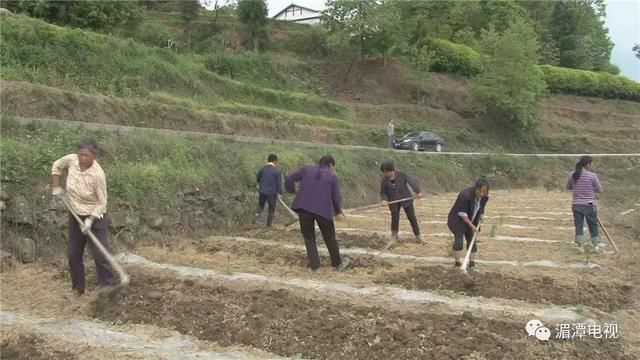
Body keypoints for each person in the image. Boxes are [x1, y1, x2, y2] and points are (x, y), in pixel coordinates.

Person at [51, 139, 114, 295]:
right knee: (73, 254)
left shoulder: (97, 174)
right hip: (75, 214)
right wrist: (56, 185)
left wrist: (90, 221)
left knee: (100, 254)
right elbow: (57, 166)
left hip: (95, 217)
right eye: (80, 155)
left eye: (86, 155)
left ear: (94, 156)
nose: (82, 158)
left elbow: (102, 202)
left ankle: (108, 288)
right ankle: (78, 289)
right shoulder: (72, 160)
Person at [285, 155, 350, 271]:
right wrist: (338, 211)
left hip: (304, 208)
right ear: (330, 165)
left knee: (309, 238)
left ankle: (315, 267)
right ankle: (337, 264)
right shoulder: (332, 176)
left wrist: (292, 191)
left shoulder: (306, 169)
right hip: (323, 211)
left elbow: (289, 178)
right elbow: (336, 197)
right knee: (330, 238)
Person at [447, 178, 490, 268]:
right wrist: (472, 226)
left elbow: (481, 208)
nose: (482, 194)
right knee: (459, 240)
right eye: (480, 191)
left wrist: (481, 215)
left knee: (472, 241)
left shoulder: (484, 197)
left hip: (472, 219)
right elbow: (463, 214)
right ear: (476, 188)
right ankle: (458, 264)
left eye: (484, 192)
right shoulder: (465, 195)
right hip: (457, 220)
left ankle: (472, 264)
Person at [379, 161, 424, 243]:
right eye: (384, 172)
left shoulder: (402, 175)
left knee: (412, 218)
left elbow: (412, 182)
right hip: (393, 201)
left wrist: (417, 192)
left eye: (386, 172)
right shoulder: (384, 181)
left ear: (391, 170)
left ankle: (418, 236)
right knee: (395, 218)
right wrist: (384, 200)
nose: (385, 174)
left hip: (406, 198)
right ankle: (394, 237)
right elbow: (383, 192)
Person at [566, 155, 603, 251]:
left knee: (579, 225)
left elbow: (568, 187)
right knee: (593, 224)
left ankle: (580, 246)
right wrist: (592, 190)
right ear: (587, 164)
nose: (591, 166)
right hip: (589, 203)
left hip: (576, 204)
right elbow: (600, 189)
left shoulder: (572, 174)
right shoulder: (592, 176)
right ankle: (596, 245)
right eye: (591, 164)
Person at [255, 154, 283, 227]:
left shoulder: (263, 168)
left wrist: (259, 184)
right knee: (271, 209)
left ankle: (256, 215)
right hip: (272, 193)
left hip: (262, 191)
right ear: (275, 161)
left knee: (261, 205)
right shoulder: (277, 170)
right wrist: (280, 193)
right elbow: (279, 183)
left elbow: (258, 177)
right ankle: (268, 226)